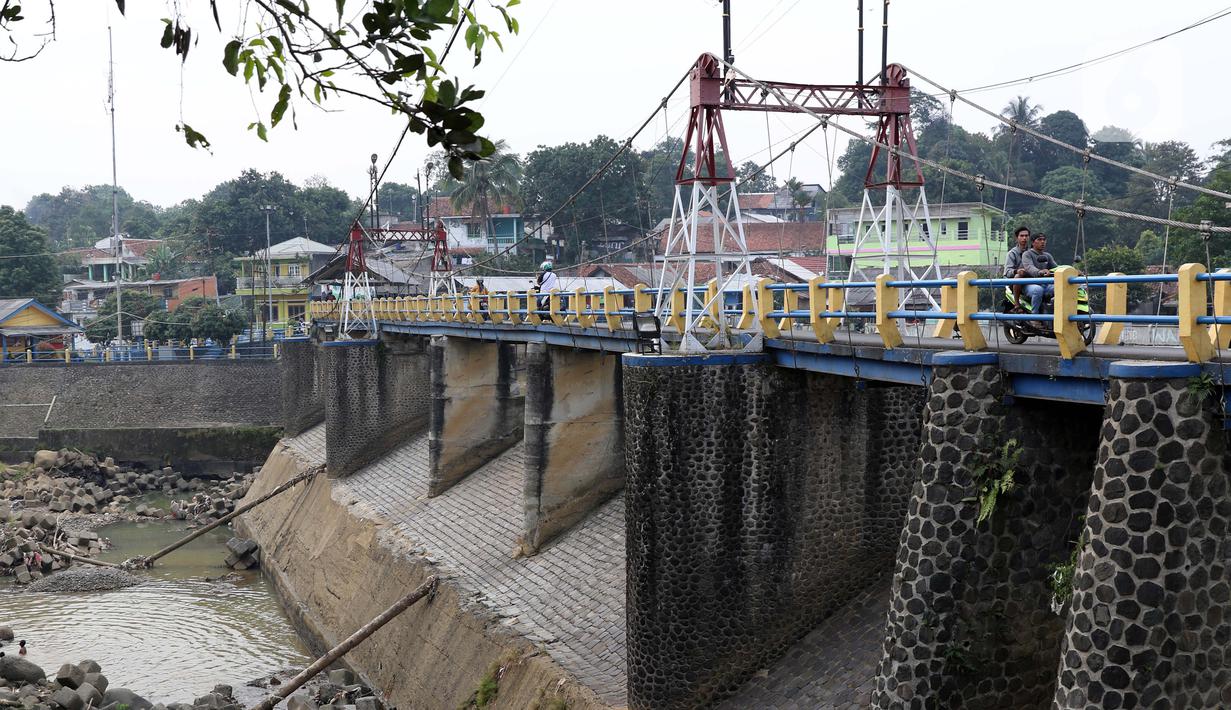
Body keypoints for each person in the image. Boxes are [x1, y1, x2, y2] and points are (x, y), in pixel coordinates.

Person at [1022, 233, 1058, 325]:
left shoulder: (1047, 256)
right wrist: (1040, 272)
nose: (1042, 242)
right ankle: (1034, 317)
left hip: (1045, 284)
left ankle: (1058, 315)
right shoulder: (1027, 254)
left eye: (1044, 239)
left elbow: (1056, 268)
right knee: (1038, 290)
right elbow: (1029, 267)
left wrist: (1072, 270)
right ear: (1033, 242)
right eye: (1039, 239)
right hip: (1030, 284)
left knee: (1059, 288)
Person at [1004, 226, 1031, 308]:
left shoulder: (1032, 252)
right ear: (1017, 238)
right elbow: (1007, 272)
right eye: (1022, 236)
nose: (1024, 238)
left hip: (1031, 279)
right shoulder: (1012, 253)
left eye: (1026, 236)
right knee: (1018, 276)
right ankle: (1017, 304)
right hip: (1017, 284)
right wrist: (1017, 271)